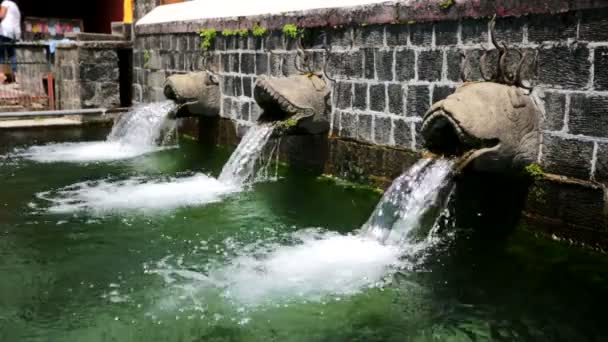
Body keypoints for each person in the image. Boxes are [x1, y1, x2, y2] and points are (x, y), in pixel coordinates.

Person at [0, 0, 20, 82]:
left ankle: (2, 75)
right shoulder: (16, 7)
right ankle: (15, 75)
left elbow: (1, 15)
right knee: (12, 54)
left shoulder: (5, 2)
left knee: (1, 54)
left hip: (4, 32)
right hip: (13, 34)